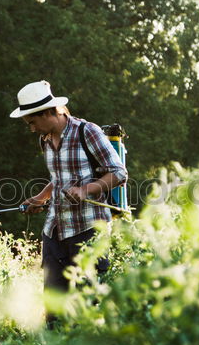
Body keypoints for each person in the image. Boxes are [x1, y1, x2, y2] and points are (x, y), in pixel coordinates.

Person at [10, 80, 128, 291]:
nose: (32, 129)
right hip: (54, 232)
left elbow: (119, 173)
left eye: (32, 122)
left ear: (46, 113)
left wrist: (85, 190)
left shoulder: (87, 131)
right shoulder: (44, 139)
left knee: (86, 303)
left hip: (88, 230)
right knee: (54, 307)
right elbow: (58, 179)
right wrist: (40, 198)